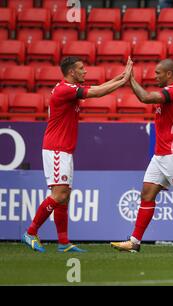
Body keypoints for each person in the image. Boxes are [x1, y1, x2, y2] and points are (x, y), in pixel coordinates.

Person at [22, 56, 133, 253]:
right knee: (59, 195)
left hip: (63, 149)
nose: (86, 72)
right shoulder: (66, 89)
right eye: (82, 69)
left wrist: (121, 76)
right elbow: (97, 93)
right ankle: (31, 232)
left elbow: (98, 87)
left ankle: (63, 243)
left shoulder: (69, 89)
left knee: (64, 197)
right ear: (71, 72)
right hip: (56, 149)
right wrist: (123, 82)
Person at [111, 58, 173, 254]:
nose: (155, 76)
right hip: (160, 155)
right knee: (146, 194)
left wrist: (131, 80)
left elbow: (145, 98)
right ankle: (134, 242)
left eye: (158, 73)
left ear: (169, 74)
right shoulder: (168, 91)